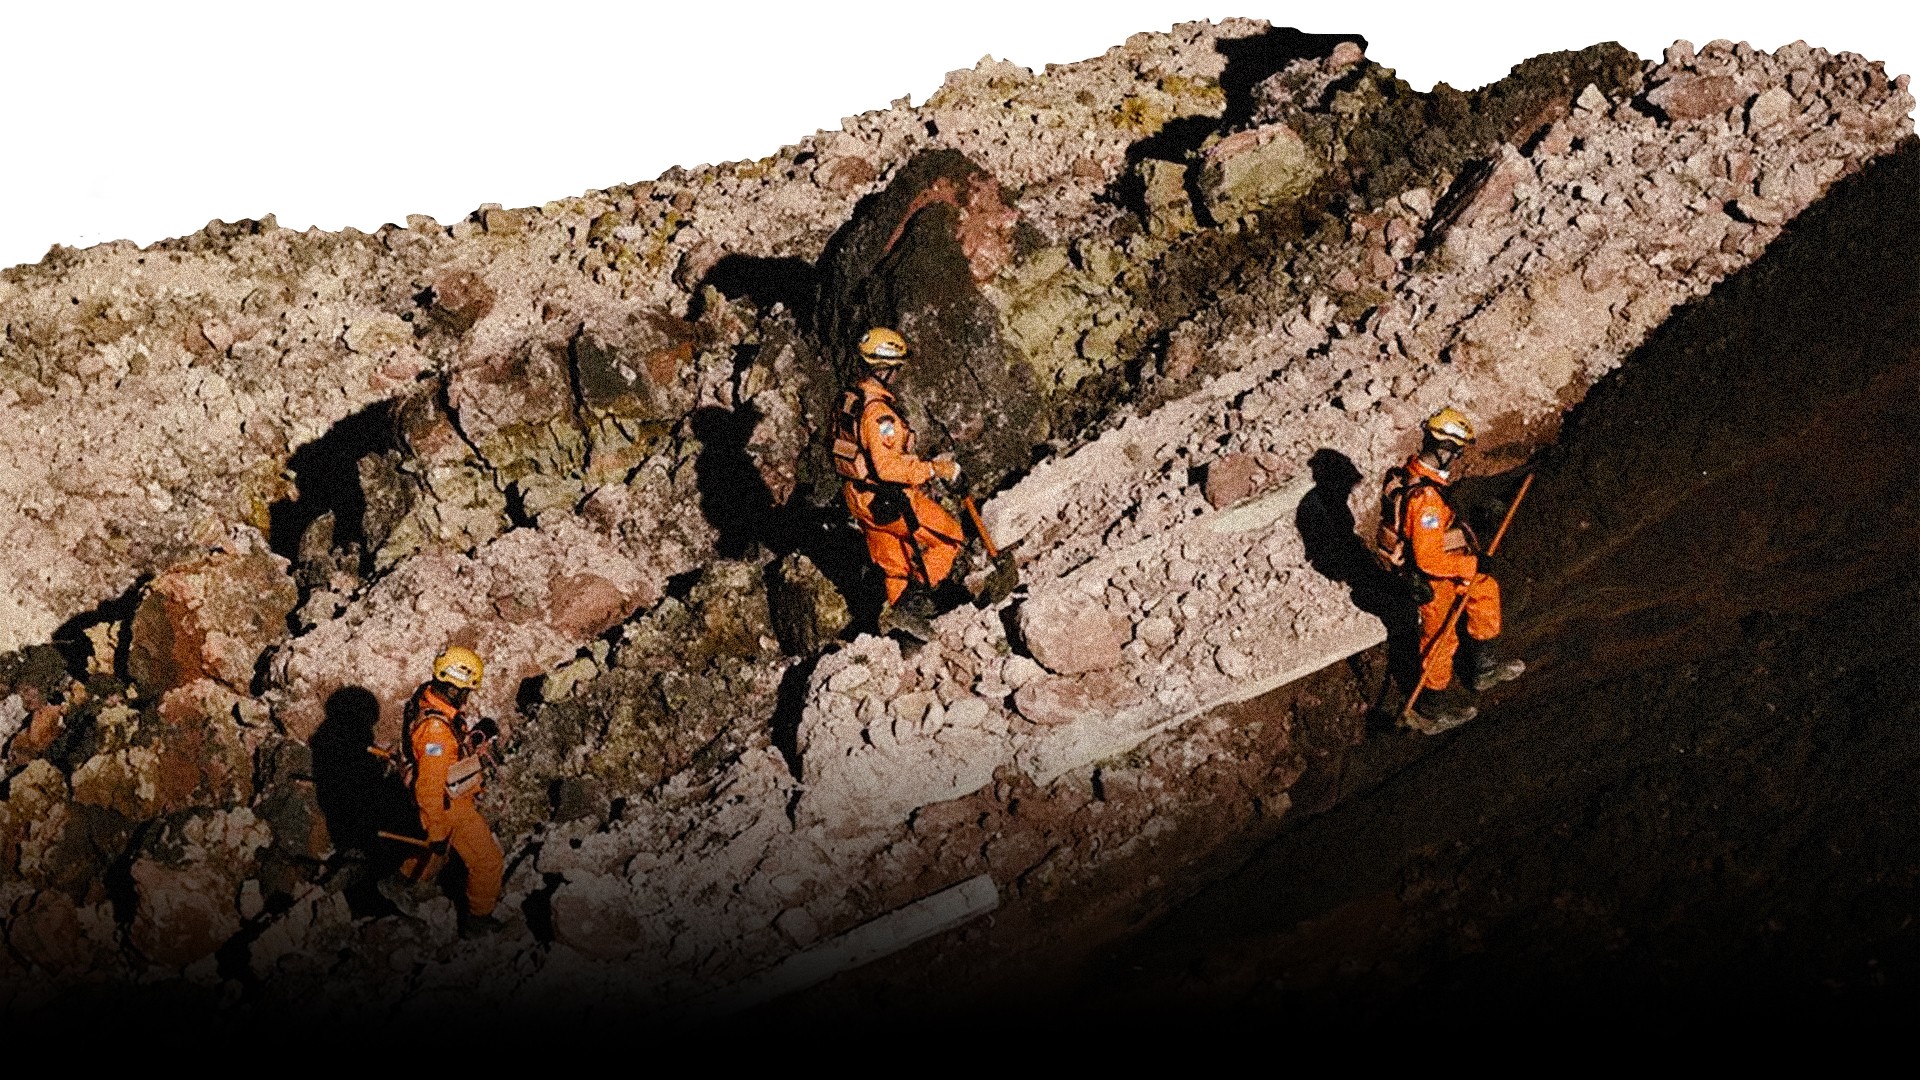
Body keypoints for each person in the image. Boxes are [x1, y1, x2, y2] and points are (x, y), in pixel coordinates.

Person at [1376, 407, 1525, 732]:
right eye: (1456, 451)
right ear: (1445, 448)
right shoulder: (1425, 500)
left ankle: (1484, 666)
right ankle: (1430, 707)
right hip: (1432, 578)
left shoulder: (1411, 477)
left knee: (1484, 589)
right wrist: (1473, 563)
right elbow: (1430, 559)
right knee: (1441, 638)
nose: (1456, 458)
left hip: (1442, 565)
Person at [832, 327, 967, 641]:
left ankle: (905, 632)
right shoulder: (878, 414)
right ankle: (917, 599)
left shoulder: (848, 400)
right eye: (896, 368)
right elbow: (888, 466)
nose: (899, 375)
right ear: (884, 368)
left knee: (894, 565)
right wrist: (936, 469)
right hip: (888, 501)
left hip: (858, 497)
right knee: (949, 538)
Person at [399, 645, 507, 933]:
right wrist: (434, 829)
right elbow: (429, 786)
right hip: (450, 805)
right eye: (467, 691)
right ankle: (478, 920)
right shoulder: (436, 733)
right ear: (456, 689)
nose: (468, 697)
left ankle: (401, 882)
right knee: (487, 863)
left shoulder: (428, 700)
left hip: (448, 798)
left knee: (433, 853)